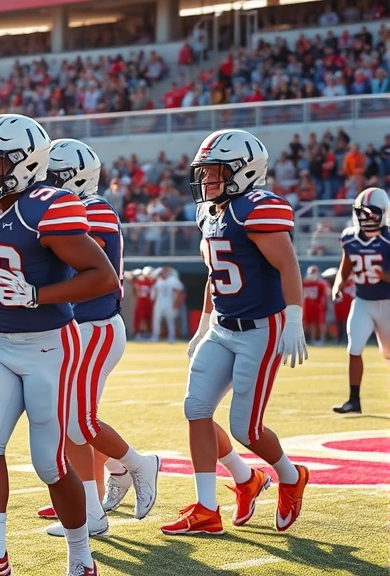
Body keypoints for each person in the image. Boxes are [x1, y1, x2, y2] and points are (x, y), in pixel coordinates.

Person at [0, 117, 111, 575]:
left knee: (49, 463)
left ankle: (81, 557)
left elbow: (102, 276)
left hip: (51, 345)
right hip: (0, 344)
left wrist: (37, 294)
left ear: (27, 165)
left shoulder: (46, 207)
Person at [163, 129, 309, 536]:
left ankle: (290, 475)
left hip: (261, 328)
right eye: (205, 172)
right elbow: (216, 275)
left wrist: (294, 317)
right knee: (196, 408)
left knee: (246, 428)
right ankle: (210, 507)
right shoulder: (208, 211)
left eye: (216, 172)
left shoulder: (255, 209)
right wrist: (204, 323)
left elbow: (288, 266)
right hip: (223, 325)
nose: (207, 180)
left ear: (245, 173)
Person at [35, 139, 161, 541]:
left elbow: (85, 255)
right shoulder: (57, 208)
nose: (41, 184)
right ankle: (92, 505)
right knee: (68, 422)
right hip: (75, 329)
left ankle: (138, 464)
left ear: (74, 179)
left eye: (50, 177)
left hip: (97, 327)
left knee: (77, 421)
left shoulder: (95, 209)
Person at [331, 187, 390, 414]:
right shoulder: (350, 237)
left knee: (388, 354)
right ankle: (353, 400)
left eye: (371, 212)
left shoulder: (387, 238)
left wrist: (382, 275)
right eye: (361, 212)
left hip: (387, 302)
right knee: (354, 347)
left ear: (382, 212)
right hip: (362, 300)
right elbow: (345, 267)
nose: (366, 217)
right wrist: (339, 284)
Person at [151, 266, 184, 343]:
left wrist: (175, 304)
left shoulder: (172, 281)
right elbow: (155, 293)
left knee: (170, 320)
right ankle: (155, 336)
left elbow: (178, 292)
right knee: (156, 320)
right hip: (159, 303)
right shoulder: (158, 281)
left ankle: (172, 337)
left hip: (169, 303)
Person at [302, 265, 331, 345]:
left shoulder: (321, 284)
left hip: (318, 306)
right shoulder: (304, 283)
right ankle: (313, 339)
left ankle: (322, 339)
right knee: (310, 323)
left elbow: (327, 294)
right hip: (307, 306)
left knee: (321, 323)